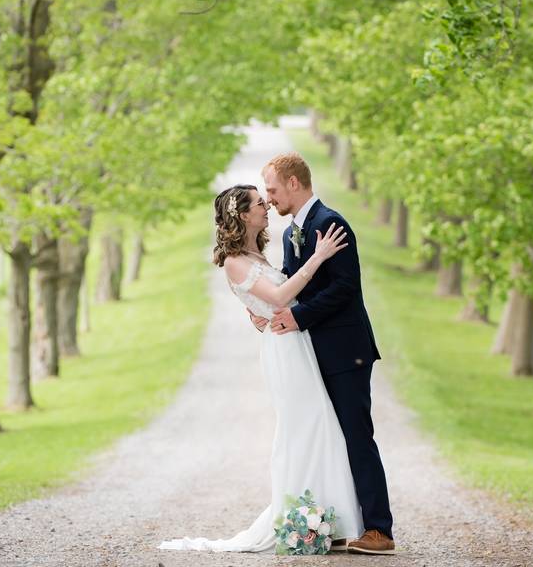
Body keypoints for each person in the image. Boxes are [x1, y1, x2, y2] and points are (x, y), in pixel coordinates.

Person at [158, 183, 364, 553]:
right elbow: (281, 297)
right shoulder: (235, 261)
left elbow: (267, 299)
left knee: (319, 426)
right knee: (303, 427)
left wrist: (257, 310)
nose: (266, 205)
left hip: (297, 344)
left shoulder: (258, 256)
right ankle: (300, 520)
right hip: (284, 351)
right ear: (241, 214)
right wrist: (318, 257)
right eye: (258, 202)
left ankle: (322, 519)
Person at [256, 152, 395, 555]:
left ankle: (379, 529)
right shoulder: (290, 233)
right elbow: (292, 283)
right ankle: (335, 521)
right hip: (314, 353)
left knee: (356, 436)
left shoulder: (330, 223)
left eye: (272, 189)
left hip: (346, 350)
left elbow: (345, 287)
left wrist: (297, 317)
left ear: (294, 184)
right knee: (327, 438)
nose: (268, 198)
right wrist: (267, 310)